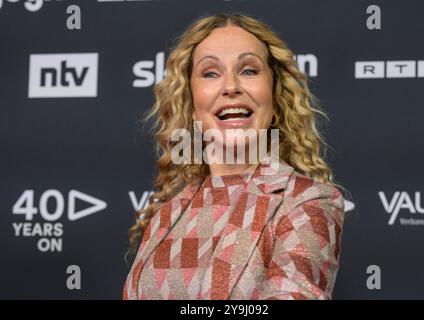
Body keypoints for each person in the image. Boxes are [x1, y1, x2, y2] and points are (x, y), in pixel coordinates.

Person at [123, 12, 346, 300]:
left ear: (276, 97)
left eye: (249, 70)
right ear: (192, 106)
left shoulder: (307, 202)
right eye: (211, 73)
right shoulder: (167, 214)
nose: (231, 86)